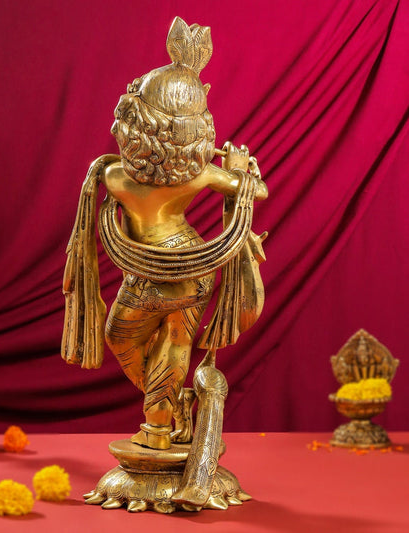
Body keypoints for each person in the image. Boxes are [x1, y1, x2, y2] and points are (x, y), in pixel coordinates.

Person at [62, 17, 267, 450]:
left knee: (123, 337)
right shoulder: (199, 174)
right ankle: (167, 412)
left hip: (158, 271)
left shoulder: (114, 176)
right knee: (174, 341)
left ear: (137, 126)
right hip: (193, 265)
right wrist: (239, 169)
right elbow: (256, 191)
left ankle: (160, 422)